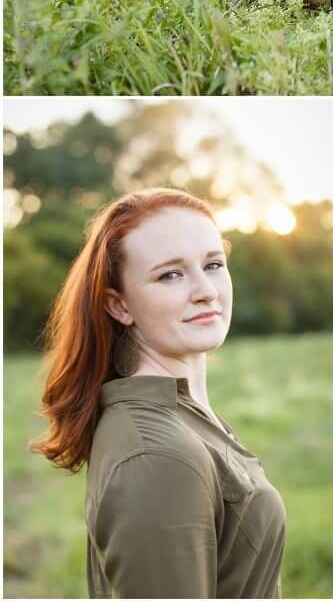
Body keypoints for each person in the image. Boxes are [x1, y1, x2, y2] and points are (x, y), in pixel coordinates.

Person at [33, 188, 286, 598]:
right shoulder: (156, 458)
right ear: (119, 305)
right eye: (171, 274)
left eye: (213, 264)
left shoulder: (182, 415)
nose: (205, 290)